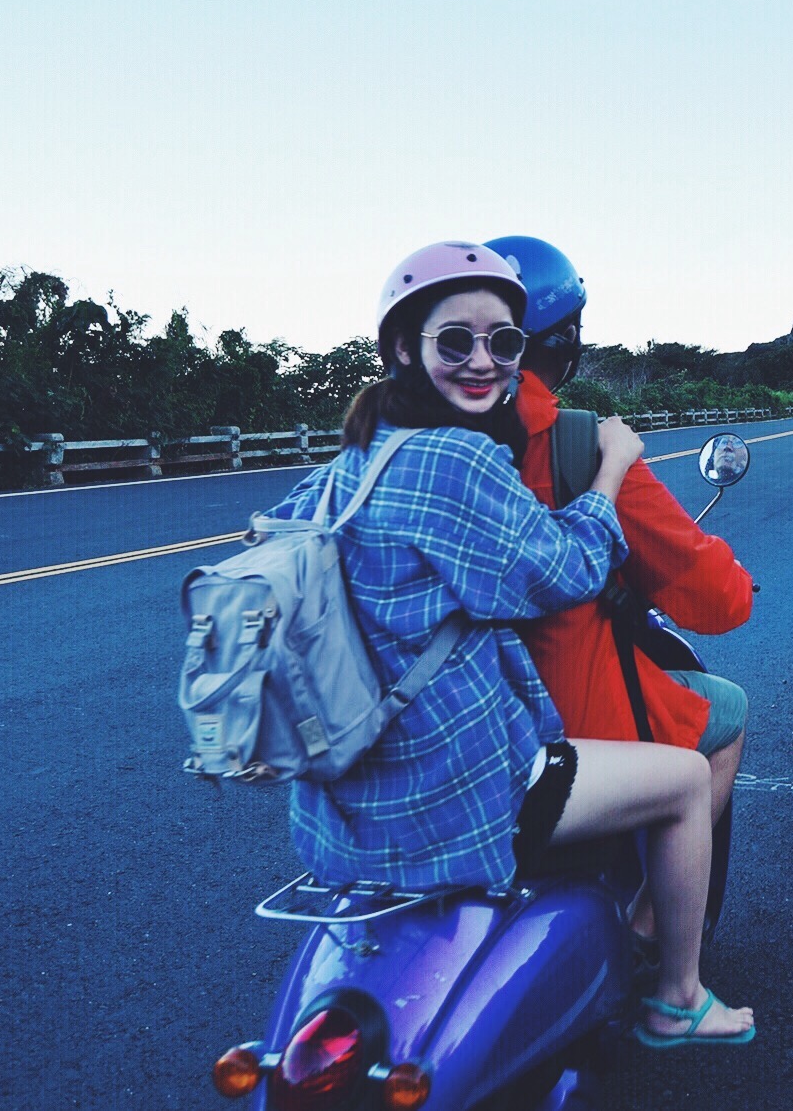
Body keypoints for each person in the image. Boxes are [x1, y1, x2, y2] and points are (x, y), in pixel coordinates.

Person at [260, 241, 754, 1046]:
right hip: (459, 792)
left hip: (339, 804)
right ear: (403, 348)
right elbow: (568, 571)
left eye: (502, 341)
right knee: (687, 778)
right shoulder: (462, 459)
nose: (483, 360)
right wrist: (611, 471)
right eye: (456, 340)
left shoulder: (353, 461)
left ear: (527, 347)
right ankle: (677, 995)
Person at [485, 235, 755, 945]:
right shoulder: (579, 447)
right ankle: (650, 935)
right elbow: (715, 599)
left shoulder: (414, 453)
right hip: (559, 723)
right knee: (726, 712)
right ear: (565, 340)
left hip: (446, 728)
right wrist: (731, 575)